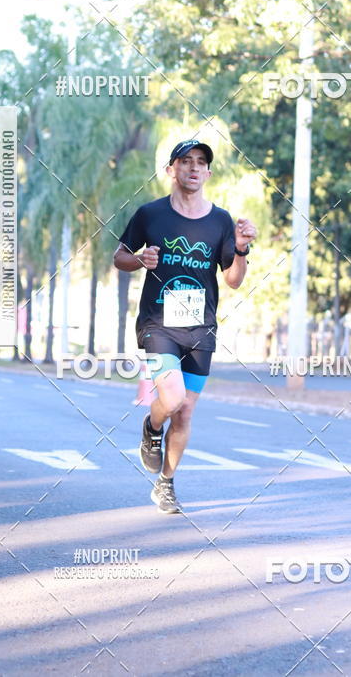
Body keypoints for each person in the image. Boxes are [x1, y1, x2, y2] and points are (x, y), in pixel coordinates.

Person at [113, 139, 257, 513]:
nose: (193, 168)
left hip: (200, 328)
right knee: (172, 399)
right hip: (158, 324)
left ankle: (165, 483)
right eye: (185, 161)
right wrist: (140, 259)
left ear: (208, 173)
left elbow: (234, 280)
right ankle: (152, 426)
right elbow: (120, 256)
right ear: (171, 170)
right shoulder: (150, 214)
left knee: (187, 412)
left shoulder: (221, 220)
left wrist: (240, 248)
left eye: (200, 163)